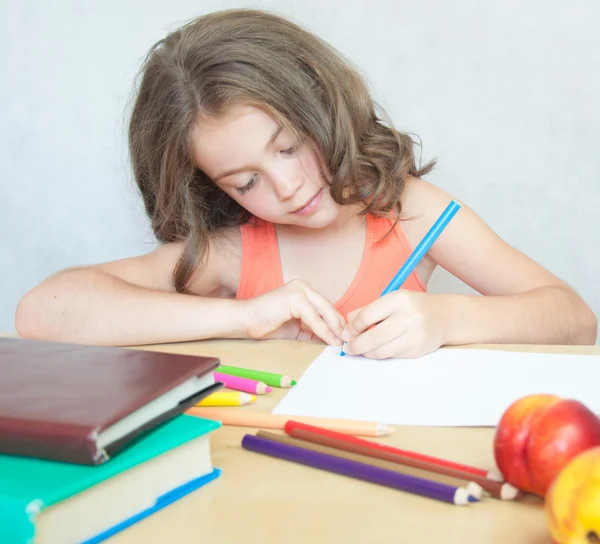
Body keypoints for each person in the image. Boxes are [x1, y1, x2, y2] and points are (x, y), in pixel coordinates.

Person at [15, 8, 597, 358]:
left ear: (324, 102)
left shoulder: (411, 213)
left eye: (290, 147)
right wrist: (243, 318)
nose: (288, 188)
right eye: (246, 182)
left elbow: (573, 320)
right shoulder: (236, 251)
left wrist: (446, 321)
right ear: (213, 189)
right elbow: (46, 311)